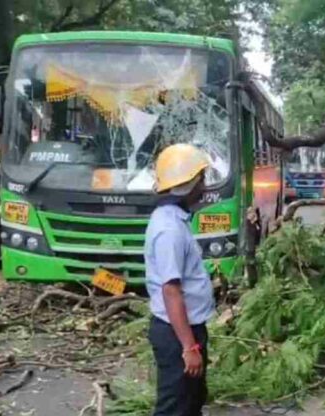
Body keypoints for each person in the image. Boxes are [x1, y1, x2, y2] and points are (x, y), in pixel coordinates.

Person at [144, 143, 214, 416]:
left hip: (185, 330)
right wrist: (189, 347)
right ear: (188, 185)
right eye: (201, 180)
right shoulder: (169, 230)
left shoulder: (174, 220)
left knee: (191, 402)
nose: (205, 187)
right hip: (178, 336)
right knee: (175, 408)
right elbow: (171, 291)